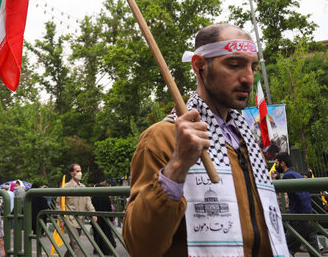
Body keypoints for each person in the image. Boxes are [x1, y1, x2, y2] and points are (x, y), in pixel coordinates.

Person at [122, 24, 289, 256]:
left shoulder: (247, 141)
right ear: (200, 66)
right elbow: (140, 246)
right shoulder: (161, 138)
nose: (248, 78)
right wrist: (177, 165)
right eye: (234, 65)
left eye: (252, 66)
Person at [274, 152, 320, 255]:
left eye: (276, 163)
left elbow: (301, 197)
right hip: (309, 219)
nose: (275, 166)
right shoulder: (297, 175)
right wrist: (309, 217)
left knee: (285, 250)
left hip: (299, 221)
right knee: (315, 253)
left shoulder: (288, 176)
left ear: (282, 163)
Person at [57, 164, 96, 257]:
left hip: (80, 220)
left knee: (73, 243)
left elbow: (88, 202)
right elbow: (59, 204)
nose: (80, 173)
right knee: (76, 244)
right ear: (72, 173)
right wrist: (61, 219)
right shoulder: (65, 187)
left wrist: (93, 213)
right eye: (77, 171)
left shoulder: (83, 187)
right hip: (70, 220)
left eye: (80, 170)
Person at [91, 182, 116, 256]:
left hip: (97, 218)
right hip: (105, 218)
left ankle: (97, 249)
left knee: (97, 234)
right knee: (107, 233)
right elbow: (109, 208)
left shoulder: (94, 197)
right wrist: (111, 219)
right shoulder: (106, 197)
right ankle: (107, 250)